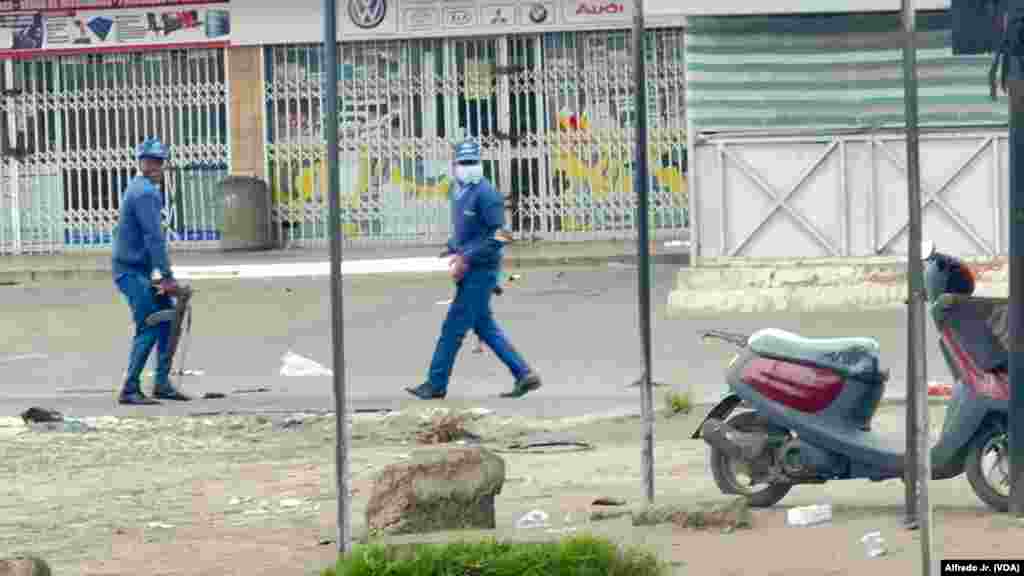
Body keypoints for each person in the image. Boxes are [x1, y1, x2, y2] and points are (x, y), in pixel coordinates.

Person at [406, 140, 541, 400]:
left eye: (473, 162)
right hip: (471, 269)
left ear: (480, 163)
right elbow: (467, 231)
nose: (468, 168)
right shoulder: (459, 191)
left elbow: (502, 235)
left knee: (453, 328)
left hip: (481, 272)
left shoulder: (486, 194)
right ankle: (524, 374)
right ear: (455, 165)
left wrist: (467, 256)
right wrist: (453, 248)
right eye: (463, 163)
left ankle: (436, 384)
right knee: (484, 326)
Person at [111, 137, 192, 405]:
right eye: (150, 160)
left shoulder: (139, 187)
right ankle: (130, 389)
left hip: (141, 270)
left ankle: (161, 383)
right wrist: (168, 278)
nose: (156, 165)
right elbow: (153, 239)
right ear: (141, 162)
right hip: (131, 272)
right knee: (149, 324)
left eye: (159, 161)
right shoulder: (145, 192)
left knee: (168, 320)